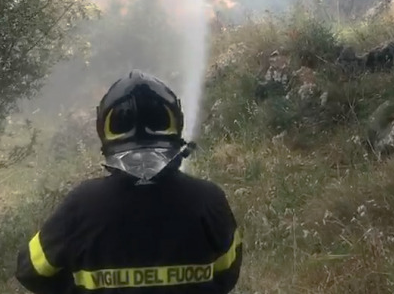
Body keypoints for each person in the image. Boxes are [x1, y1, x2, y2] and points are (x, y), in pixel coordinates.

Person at [15, 70, 242, 293]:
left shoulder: (81, 204)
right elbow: (227, 273)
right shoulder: (208, 199)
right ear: (174, 123)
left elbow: (31, 270)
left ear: (104, 128)